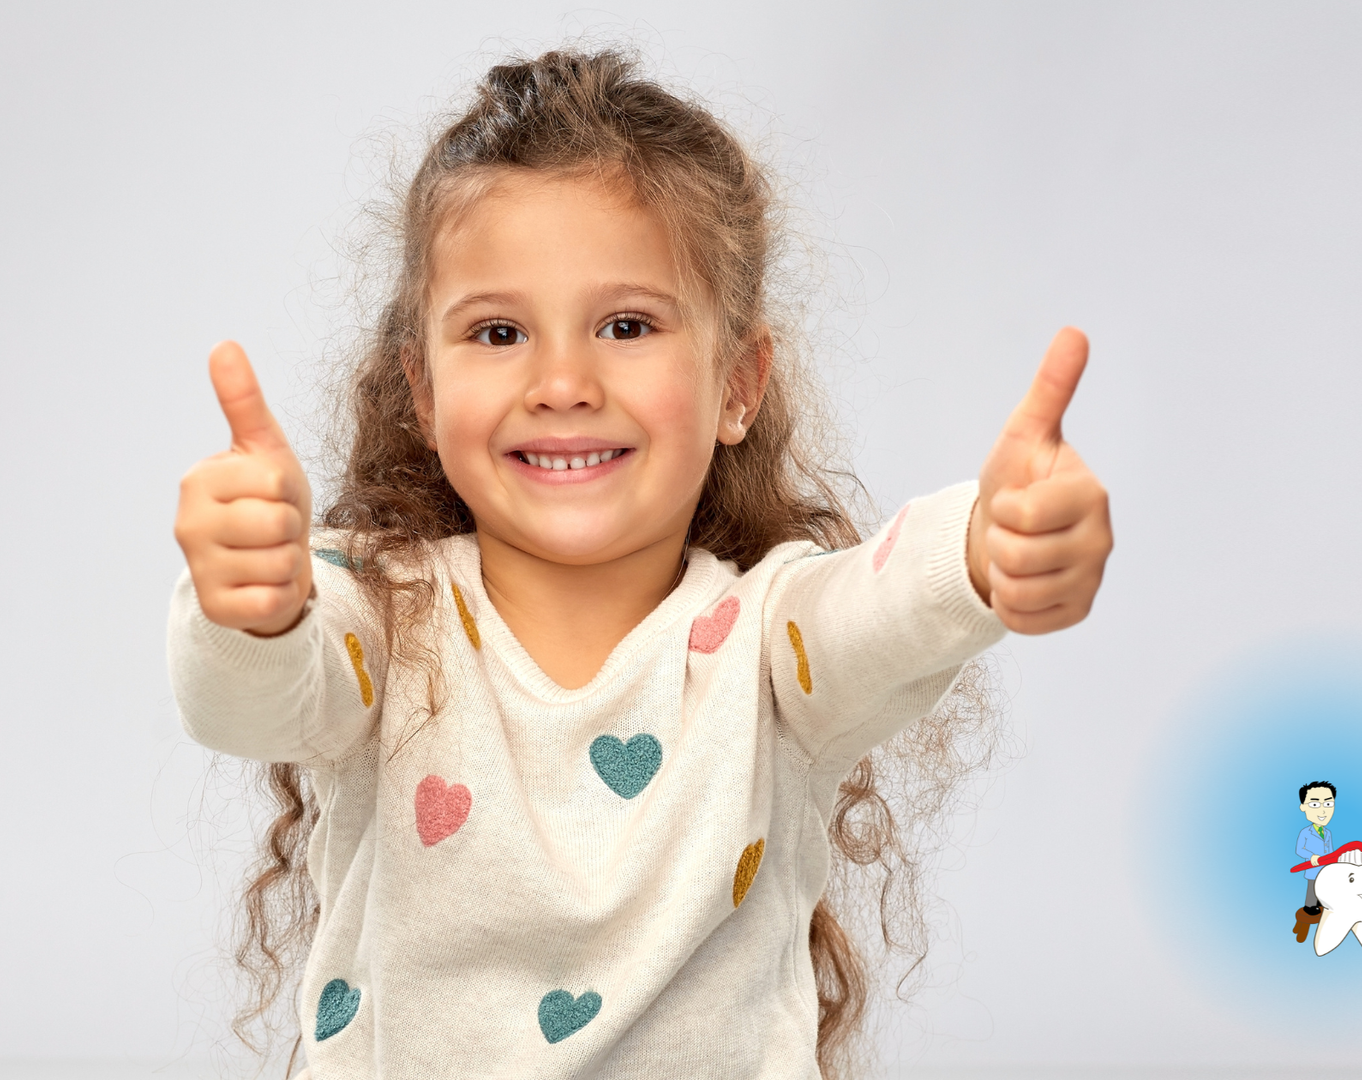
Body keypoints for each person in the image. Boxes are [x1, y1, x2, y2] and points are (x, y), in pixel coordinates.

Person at [167, 50, 1113, 1079]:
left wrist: (987, 546)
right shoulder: (381, 620)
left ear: (738, 384)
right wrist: (252, 603)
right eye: (497, 331)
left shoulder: (771, 649)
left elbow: (881, 603)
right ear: (425, 395)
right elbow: (251, 700)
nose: (563, 381)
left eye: (626, 325)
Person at [1293, 781, 1338, 942]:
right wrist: (1311, 857)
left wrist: (1333, 861)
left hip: (1326, 869)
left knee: (1324, 889)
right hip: (1312, 869)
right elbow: (1299, 850)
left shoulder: (1328, 833)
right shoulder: (1305, 832)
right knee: (1312, 889)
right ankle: (1310, 907)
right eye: (1314, 804)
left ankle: (1322, 904)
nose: (1322, 810)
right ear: (1303, 807)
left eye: (1328, 803)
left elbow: (1331, 850)